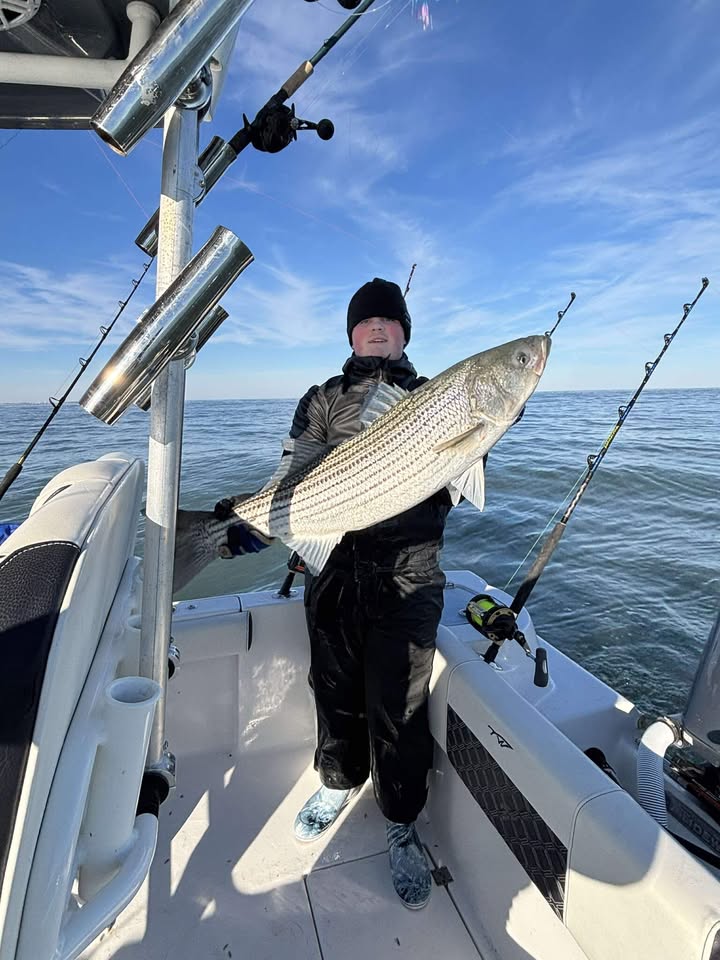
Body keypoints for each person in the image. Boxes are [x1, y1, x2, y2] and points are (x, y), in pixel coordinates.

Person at [289, 278, 453, 910]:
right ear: (351, 333)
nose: (378, 326)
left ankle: (401, 822)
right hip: (332, 569)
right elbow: (294, 469)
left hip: (409, 573)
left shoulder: (435, 394)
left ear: (405, 331)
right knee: (331, 689)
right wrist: (258, 521)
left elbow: (468, 471)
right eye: (366, 320)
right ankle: (338, 781)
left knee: (400, 708)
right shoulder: (323, 398)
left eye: (390, 318)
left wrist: (497, 417)